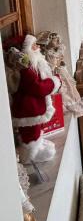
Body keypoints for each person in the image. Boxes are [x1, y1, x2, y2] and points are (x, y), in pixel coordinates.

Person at [11, 35, 61, 163]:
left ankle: (38, 145)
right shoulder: (26, 69)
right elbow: (37, 87)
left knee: (36, 129)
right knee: (30, 132)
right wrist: (55, 82)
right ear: (26, 50)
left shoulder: (32, 65)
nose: (38, 47)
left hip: (34, 106)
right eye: (34, 45)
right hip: (28, 108)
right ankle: (29, 155)